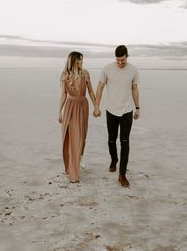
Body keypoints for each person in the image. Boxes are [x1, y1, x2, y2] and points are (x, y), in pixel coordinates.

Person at [93, 45, 140, 187]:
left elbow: (135, 88)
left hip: (126, 111)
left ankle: (122, 175)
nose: (120, 63)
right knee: (111, 140)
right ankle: (114, 159)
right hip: (111, 110)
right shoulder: (107, 69)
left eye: (123, 60)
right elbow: (100, 87)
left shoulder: (133, 70)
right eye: (118, 60)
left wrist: (137, 108)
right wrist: (96, 106)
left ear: (127, 56)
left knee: (125, 142)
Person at [58, 51, 96, 183]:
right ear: (74, 61)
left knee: (81, 136)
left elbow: (90, 90)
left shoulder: (86, 73)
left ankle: (79, 156)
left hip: (82, 105)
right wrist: (59, 111)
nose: (82, 62)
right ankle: (73, 171)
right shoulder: (65, 75)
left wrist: (96, 106)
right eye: (80, 60)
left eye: (82, 60)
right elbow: (63, 94)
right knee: (70, 137)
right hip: (70, 106)